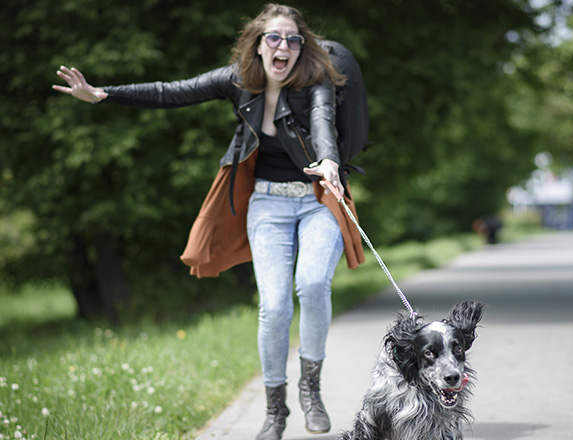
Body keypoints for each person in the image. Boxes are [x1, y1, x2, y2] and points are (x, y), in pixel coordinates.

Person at [53, 4, 365, 440]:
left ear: (302, 47)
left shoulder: (316, 81)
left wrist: (329, 159)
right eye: (273, 38)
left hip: (318, 200)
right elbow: (171, 91)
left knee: (312, 285)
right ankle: (276, 411)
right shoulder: (236, 80)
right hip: (268, 205)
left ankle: (310, 389)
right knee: (273, 307)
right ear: (257, 45)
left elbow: (323, 120)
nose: (284, 47)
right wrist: (103, 94)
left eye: (293, 40)